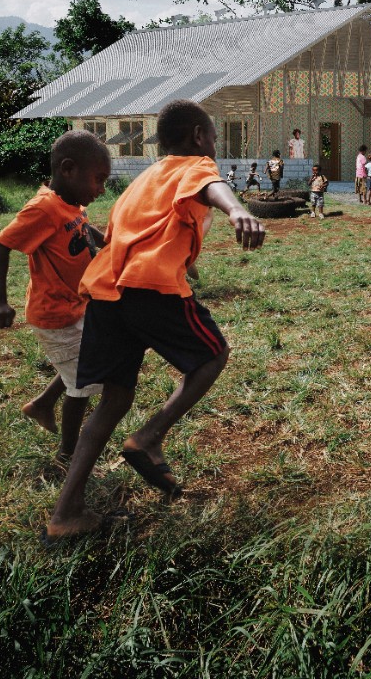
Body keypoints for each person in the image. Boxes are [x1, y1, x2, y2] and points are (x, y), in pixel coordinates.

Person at [44, 99, 265, 540]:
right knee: (212, 355)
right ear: (199, 136)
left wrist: (185, 258)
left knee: (114, 399)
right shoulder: (196, 165)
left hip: (106, 291)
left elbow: (125, 233)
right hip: (151, 288)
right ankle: (149, 437)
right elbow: (211, 184)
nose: (214, 146)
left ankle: (66, 514)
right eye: (213, 137)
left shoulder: (144, 179)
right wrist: (237, 209)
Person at [0, 130, 110, 468]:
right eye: (98, 179)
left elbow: (84, 228)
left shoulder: (70, 204)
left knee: (82, 363)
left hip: (74, 306)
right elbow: (1, 246)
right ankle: (68, 454)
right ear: (68, 169)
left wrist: (110, 241)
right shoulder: (43, 208)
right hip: (55, 315)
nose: (101, 189)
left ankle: (42, 404)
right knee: (83, 383)